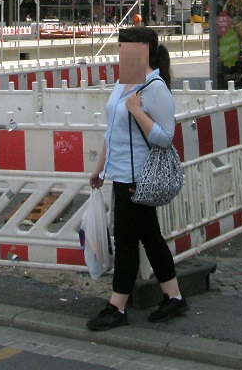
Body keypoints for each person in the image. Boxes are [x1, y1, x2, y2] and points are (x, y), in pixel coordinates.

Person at [86, 26, 188, 331]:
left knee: (128, 241)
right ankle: (173, 297)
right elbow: (112, 131)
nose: (119, 53)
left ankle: (117, 307)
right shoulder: (124, 81)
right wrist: (101, 169)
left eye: (124, 47)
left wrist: (137, 111)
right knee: (148, 237)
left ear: (142, 50)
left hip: (139, 177)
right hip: (120, 174)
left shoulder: (155, 88)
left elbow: (165, 138)